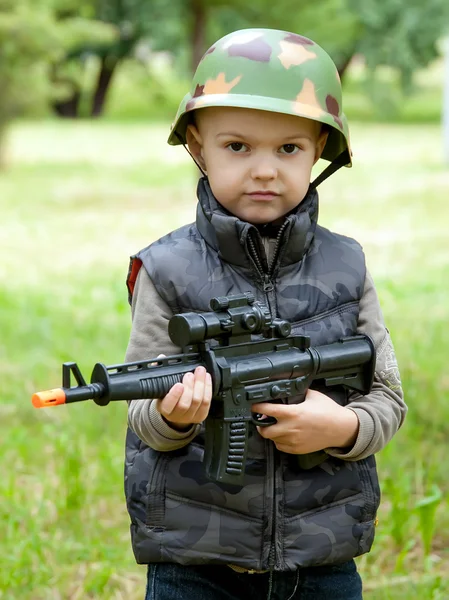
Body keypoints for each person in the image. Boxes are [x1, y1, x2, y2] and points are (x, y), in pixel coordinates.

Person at [124, 28, 407, 600]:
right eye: (236, 147)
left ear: (320, 152)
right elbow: (142, 416)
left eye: (288, 149)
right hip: (195, 564)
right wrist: (177, 418)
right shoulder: (165, 268)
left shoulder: (346, 265)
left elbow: (388, 398)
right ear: (197, 148)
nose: (264, 170)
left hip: (322, 561)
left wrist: (344, 428)